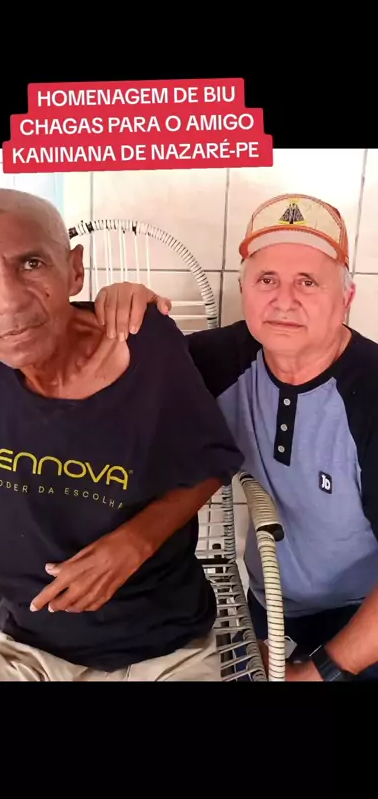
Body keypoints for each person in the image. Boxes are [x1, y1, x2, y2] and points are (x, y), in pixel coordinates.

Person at [0, 188, 244, 682]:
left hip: (169, 649)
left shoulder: (146, 344)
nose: (10, 300)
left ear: (74, 270)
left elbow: (210, 461)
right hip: (27, 651)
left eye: (31, 263)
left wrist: (137, 541)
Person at [95, 193, 378, 682]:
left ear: (346, 298)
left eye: (307, 281)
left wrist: (319, 673)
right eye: (267, 279)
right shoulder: (223, 359)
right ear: (244, 288)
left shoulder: (370, 393)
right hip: (269, 604)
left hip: (363, 616)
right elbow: (100, 387)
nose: (283, 300)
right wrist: (125, 314)